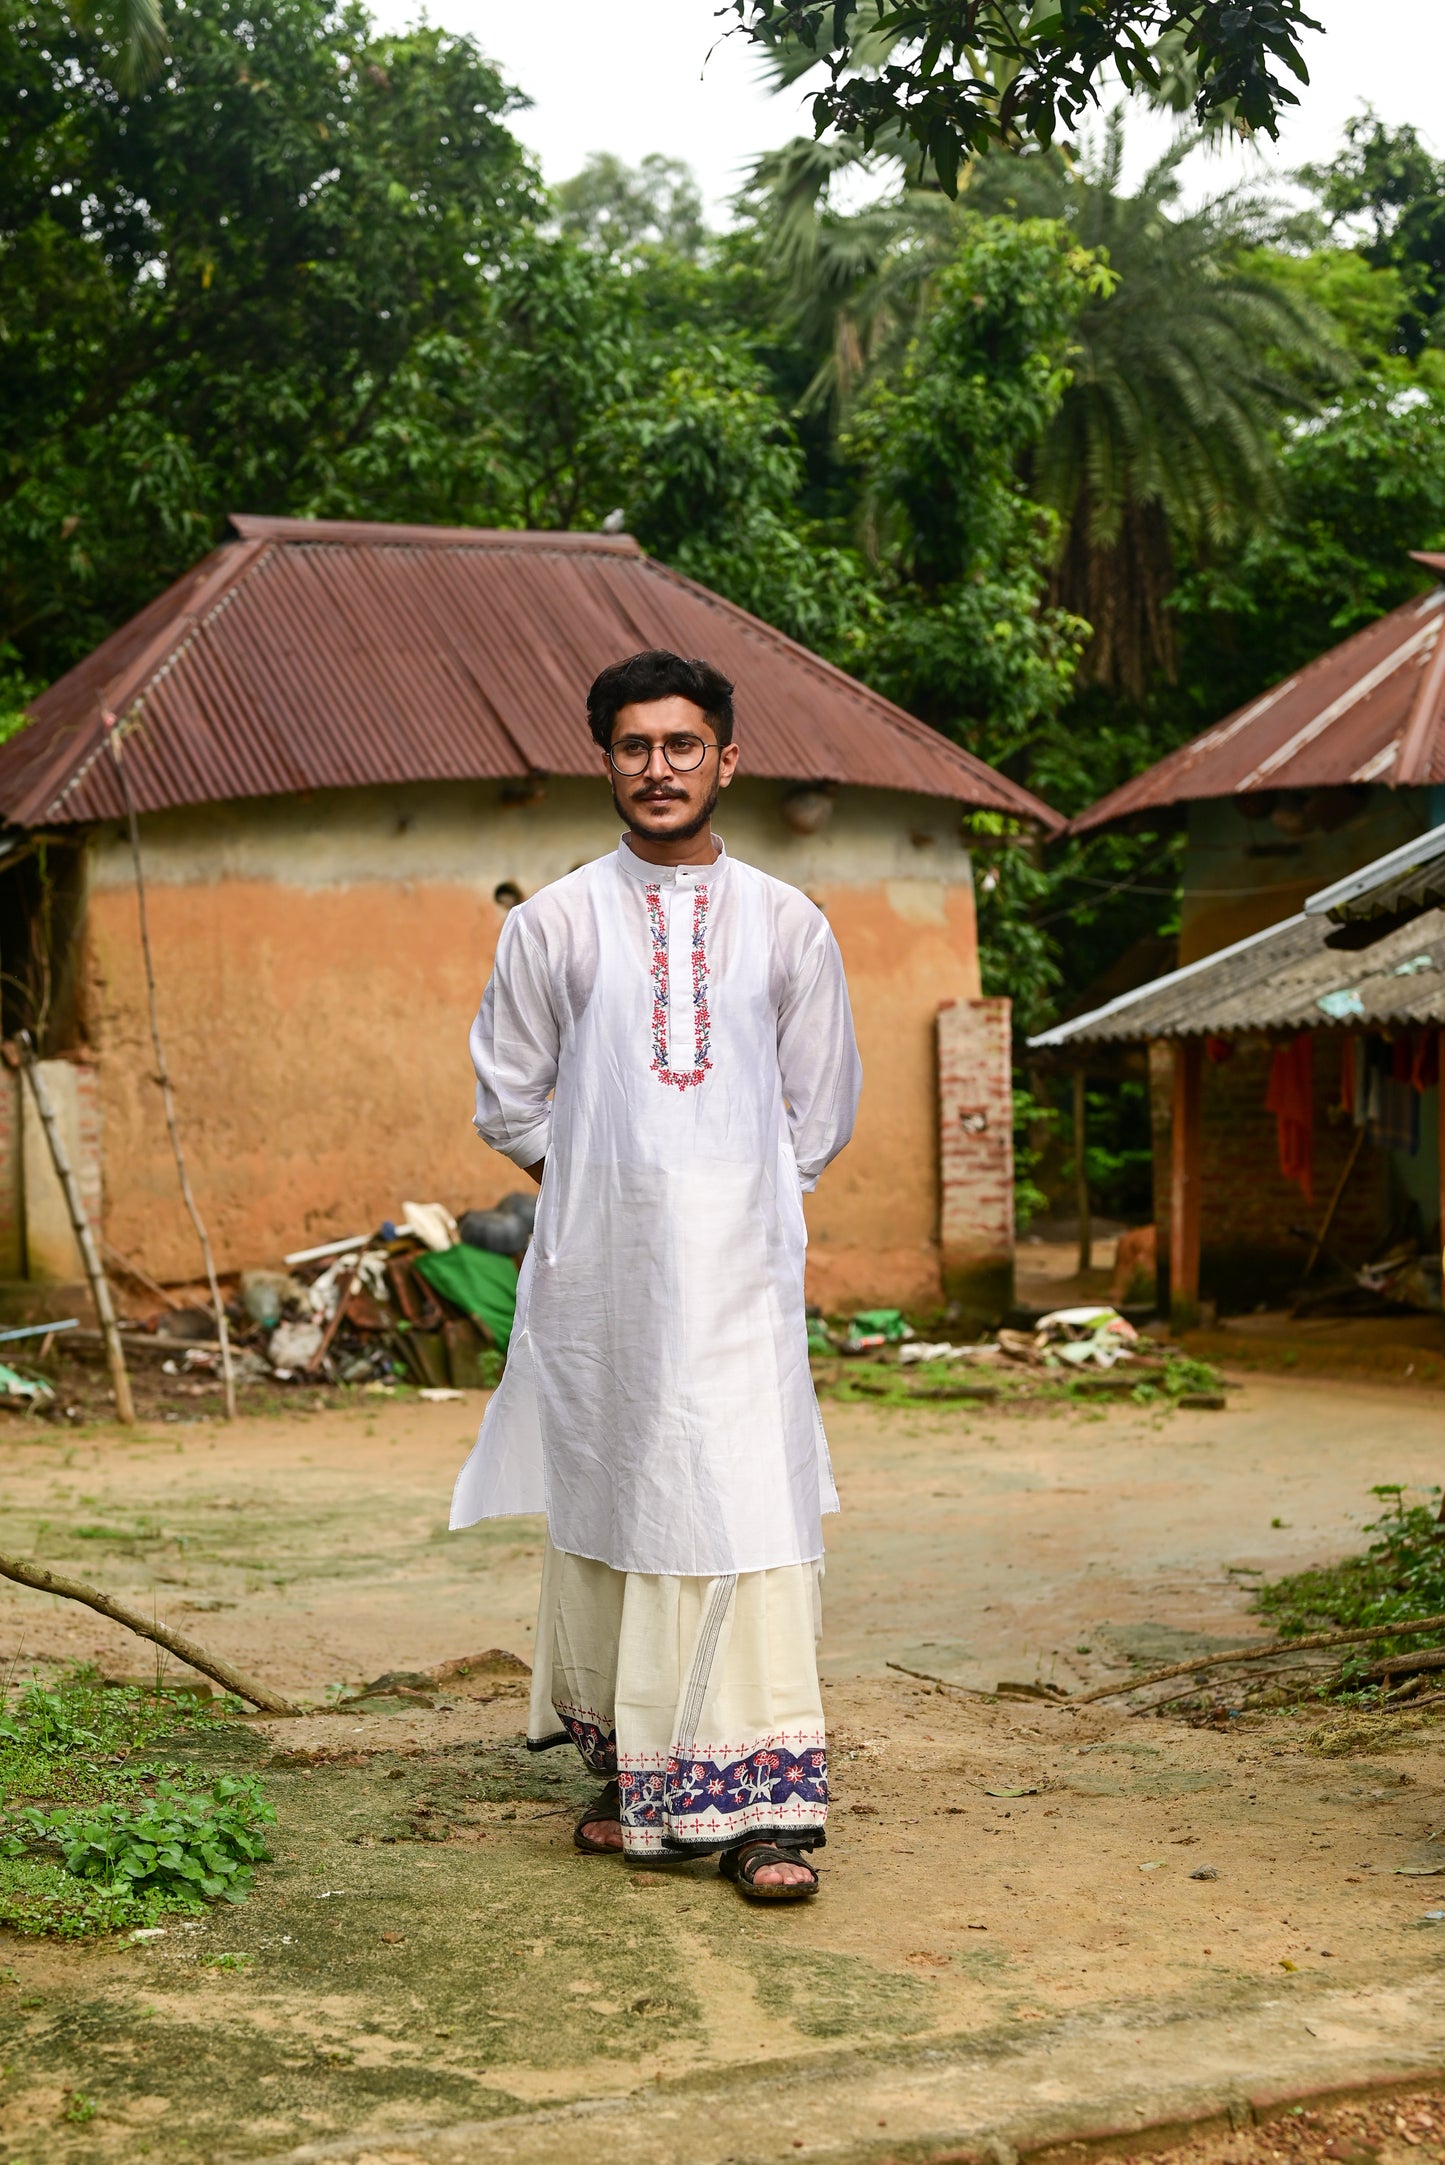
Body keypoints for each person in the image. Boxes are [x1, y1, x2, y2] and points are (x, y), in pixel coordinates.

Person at [451, 648, 860, 1901]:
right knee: (625, 1499)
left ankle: (759, 1811)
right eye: (634, 746)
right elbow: (507, 1097)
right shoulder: (554, 922)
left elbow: (821, 1107)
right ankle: (635, 1770)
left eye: (683, 745)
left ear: (726, 758)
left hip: (742, 1279)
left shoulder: (790, 924)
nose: (658, 767)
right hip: (606, 1283)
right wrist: (612, 1183)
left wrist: (728, 1194)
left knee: (744, 1506)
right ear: (607, 761)